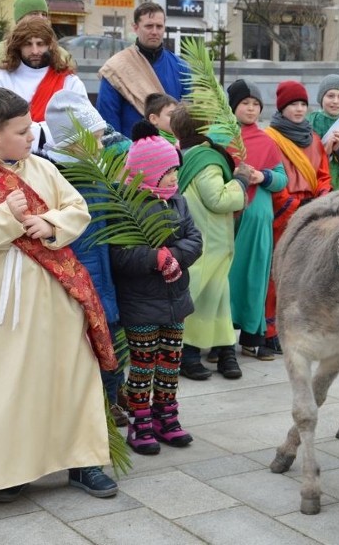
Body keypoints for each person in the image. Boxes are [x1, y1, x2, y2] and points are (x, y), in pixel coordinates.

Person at [0, 87, 118, 502]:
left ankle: (82, 462)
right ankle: (10, 469)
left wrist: (50, 225)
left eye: (30, 127)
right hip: (0, 301)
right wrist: (7, 218)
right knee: (6, 383)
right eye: (21, 131)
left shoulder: (44, 169)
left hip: (55, 294)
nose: (32, 135)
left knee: (69, 374)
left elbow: (77, 210)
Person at [40, 89, 131, 427]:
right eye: (94, 138)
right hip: (80, 274)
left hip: (105, 269)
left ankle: (112, 398)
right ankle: (94, 408)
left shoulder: (99, 169)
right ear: (72, 142)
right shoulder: (57, 176)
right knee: (88, 343)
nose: (102, 143)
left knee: (109, 338)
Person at [113, 122, 202, 454]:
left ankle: (167, 416)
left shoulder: (177, 201)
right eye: (167, 172)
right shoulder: (127, 206)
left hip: (175, 298)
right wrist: (155, 258)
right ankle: (140, 423)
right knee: (143, 362)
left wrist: (173, 257)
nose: (174, 177)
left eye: (175, 170)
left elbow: (195, 240)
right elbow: (120, 255)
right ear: (148, 172)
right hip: (142, 302)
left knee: (170, 360)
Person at [170, 104, 253, 381]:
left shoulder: (186, 153)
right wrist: (240, 181)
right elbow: (218, 199)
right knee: (205, 296)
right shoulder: (205, 159)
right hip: (209, 239)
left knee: (218, 297)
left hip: (205, 237)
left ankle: (225, 350)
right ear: (205, 129)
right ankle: (189, 353)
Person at [261, 80, 332, 359]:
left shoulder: (313, 138)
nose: (300, 109)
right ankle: (270, 332)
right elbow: (273, 179)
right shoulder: (271, 138)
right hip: (286, 213)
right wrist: (293, 206)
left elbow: (323, 174)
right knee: (277, 275)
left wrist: (323, 198)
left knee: (304, 275)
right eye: (294, 104)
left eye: (303, 104)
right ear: (282, 107)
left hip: (312, 213)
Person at [224, 80, 288, 360]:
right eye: (245, 103)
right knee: (224, 277)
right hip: (226, 217)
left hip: (257, 221)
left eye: (255, 104)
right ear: (233, 106)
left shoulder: (266, 140)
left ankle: (252, 337)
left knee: (255, 277)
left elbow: (282, 179)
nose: (251, 109)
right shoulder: (219, 137)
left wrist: (264, 177)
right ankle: (221, 341)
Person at [0, 17, 87, 152]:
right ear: (17, 46)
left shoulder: (70, 81)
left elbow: (82, 125)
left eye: (40, 44)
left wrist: (31, 132)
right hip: (10, 161)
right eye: (27, 44)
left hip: (60, 163)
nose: (35, 51)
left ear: (50, 45)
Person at [97, 1, 190, 138]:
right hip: (130, 151)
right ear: (135, 27)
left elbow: (190, 113)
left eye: (159, 26)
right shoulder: (116, 67)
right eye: (148, 26)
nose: (154, 32)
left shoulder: (181, 67)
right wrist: (119, 152)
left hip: (172, 152)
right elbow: (108, 117)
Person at [0, 0, 74, 106]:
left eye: (44, 14)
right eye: (34, 13)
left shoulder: (62, 54)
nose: (40, 18)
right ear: (19, 20)